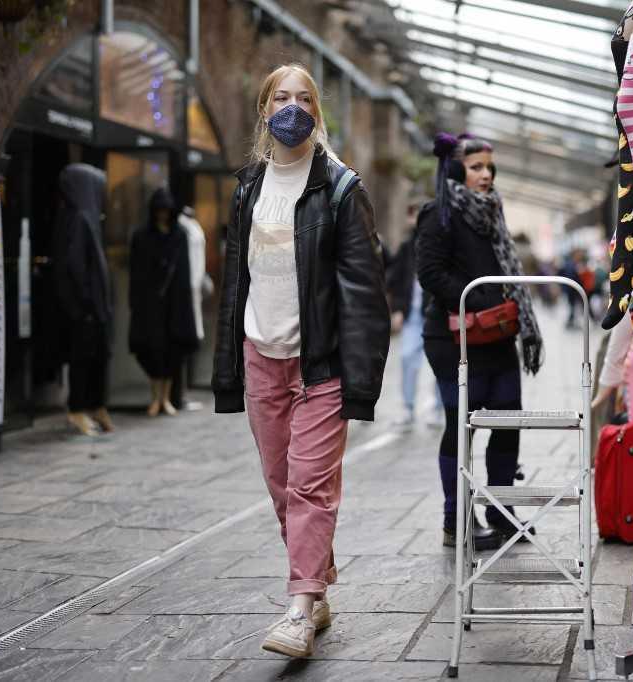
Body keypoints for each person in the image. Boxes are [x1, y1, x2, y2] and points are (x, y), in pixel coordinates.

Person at [211, 63, 389, 659]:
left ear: (318, 109)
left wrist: (361, 383)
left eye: (303, 97)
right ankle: (317, 588)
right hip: (261, 356)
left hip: (322, 365)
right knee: (283, 488)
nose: (291, 107)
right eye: (280, 97)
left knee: (311, 487)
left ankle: (298, 610)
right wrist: (229, 364)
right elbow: (236, 281)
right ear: (264, 110)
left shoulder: (339, 188)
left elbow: (365, 293)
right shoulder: (248, 188)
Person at [416, 132, 544, 552]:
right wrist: (483, 295)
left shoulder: (492, 213)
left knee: (508, 422)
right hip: (453, 339)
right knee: (461, 425)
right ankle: (456, 520)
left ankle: (501, 513)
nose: (486, 175)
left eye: (489, 167)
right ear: (456, 170)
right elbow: (431, 275)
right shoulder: (439, 214)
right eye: (476, 167)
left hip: (498, 336)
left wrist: (503, 307)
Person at [52, 163, 114, 437]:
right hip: (85, 309)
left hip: (93, 307)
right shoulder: (79, 219)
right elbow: (76, 267)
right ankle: (78, 408)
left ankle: (95, 405)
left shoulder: (89, 217)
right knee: (83, 357)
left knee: (98, 356)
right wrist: (86, 304)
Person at [129, 188, 198, 417]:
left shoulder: (179, 236)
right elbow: (137, 273)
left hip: (175, 303)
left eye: (166, 211)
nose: (162, 215)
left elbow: (184, 272)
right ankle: (155, 397)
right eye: (159, 211)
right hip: (150, 303)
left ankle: (165, 398)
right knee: (151, 348)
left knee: (172, 349)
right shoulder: (141, 236)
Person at [387, 205, 443, 431]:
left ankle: (439, 409)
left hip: (435, 314)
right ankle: (408, 408)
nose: (414, 220)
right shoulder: (406, 246)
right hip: (412, 316)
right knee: (407, 359)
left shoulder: (440, 244)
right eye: (411, 215)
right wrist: (397, 310)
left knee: (440, 363)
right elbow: (396, 279)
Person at [171, 206, 213, 410]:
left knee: (189, 342)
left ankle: (180, 393)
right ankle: (177, 394)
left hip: (192, 291)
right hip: (184, 294)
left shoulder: (190, 227)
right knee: (183, 342)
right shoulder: (183, 228)